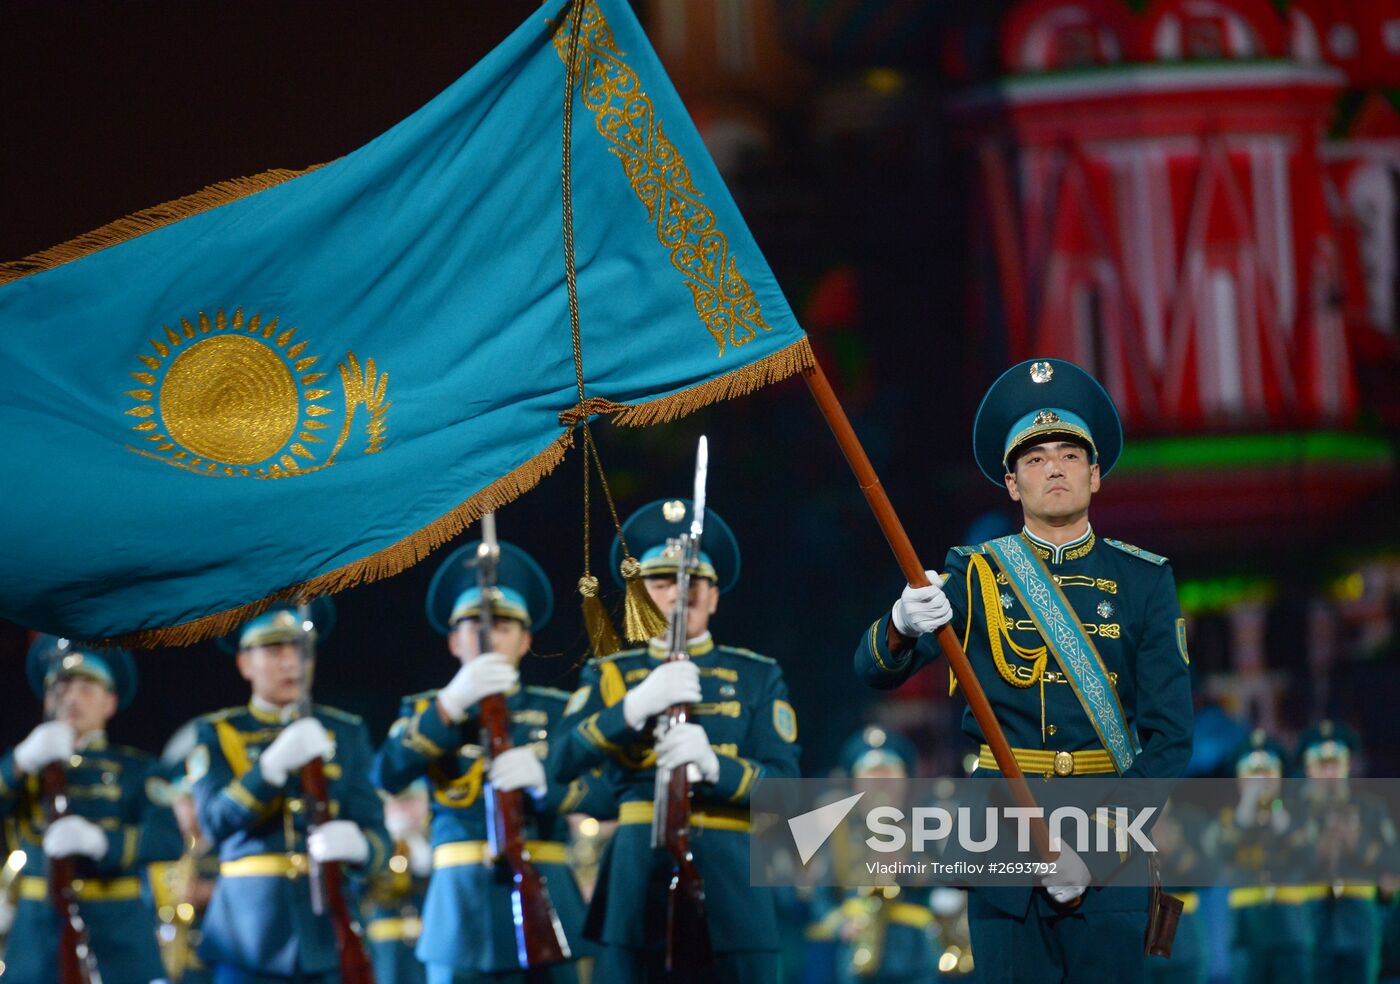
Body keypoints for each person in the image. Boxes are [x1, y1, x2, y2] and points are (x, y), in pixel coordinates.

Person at [852, 358, 1194, 981]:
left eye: (1068, 453)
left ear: (1095, 473)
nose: (1054, 467)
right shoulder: (976, 573)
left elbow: (1170, 738)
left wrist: (1091, 853)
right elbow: (873, 670)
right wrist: (902, 621)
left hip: (1109, 838)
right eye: (1035, 459)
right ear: (1012, 485)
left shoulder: (1145, 580)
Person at [552, 498, 802, 982]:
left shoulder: (757, 676)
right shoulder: (611, 675)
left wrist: (715, 768)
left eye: (693, 583)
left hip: (735, 890)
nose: (677, 595)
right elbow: (557, 762)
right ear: (638, 596)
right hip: (634, 884)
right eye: (661, 583)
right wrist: (631, 707)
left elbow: (788, 796)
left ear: (713, 596)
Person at [373, 539, 606, 984]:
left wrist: (546, 784)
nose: (486, 635)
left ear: (526, 639)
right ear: (452, 641)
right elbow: (386, 773)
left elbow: (602, 792)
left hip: (546, 897)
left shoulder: (560, 710)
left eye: (501, 625)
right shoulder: (426, 710)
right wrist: (448, 707)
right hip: (460, 913)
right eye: (472, 625)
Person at [189, 599, 390, 984]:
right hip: (248, 935)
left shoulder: (346, 732)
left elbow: (376, 831)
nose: (289, 662)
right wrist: (268, 770)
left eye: (299, 648)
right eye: (273, 649)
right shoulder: (217, 733)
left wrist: (363, 847)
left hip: (330, 931)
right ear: (245, 662)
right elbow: (213, 824)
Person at [0, 635, 182, 984]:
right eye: (61, 687)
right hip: (38, 941)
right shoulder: (25, 768)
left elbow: (167, 841)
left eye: (87, 687)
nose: (71, 697)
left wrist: (102, 842)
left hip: (120, 942)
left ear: (109, 702)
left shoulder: (137, 769)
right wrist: (19, 762)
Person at [1295, 720, 1396, 983]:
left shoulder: (1370, 808)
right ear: (1308, 767)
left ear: (1347, 765)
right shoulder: (1294, 810)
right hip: (1309, 918)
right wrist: (1318, 848)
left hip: (1359, 917)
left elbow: (1394, 860)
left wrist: (1357, 843)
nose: (1329, 772)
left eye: (1335, 762)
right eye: (1321, 764)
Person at [1216, 730, 1312, 984]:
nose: (1260, 780)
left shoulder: (1296, 812)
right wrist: (1246, 806)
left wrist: (1277, 810)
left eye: (1268, 772)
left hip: (1290, 927)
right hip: (1246, 928)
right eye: (1251, 773)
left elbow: (1308, 855)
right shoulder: (1229, 817)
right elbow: (1218, 852)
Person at [363, 782, 431, 984]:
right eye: (399, 804)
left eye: (412, 802)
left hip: (424, 941)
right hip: (386, 946)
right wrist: (392, 846)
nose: (406, 811)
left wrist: (415, 844)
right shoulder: (380, 847)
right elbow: (379, 890)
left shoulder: (433, 840)